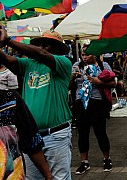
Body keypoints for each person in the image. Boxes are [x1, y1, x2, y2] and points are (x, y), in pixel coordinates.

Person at [0, 28, 72, 179]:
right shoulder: (29, 64)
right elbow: (6, 60)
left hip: (56, 134)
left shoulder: (63, 63)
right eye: (40, 43)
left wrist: (8, 41)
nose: (41, 47)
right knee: (33, 178)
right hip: (31, 137)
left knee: (59, 178)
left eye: (47, 44)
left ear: (58, 49)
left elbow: (42, 55)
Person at [70, 45, 116, 174]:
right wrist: (73, 77)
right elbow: (68, 85)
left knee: (100, 132)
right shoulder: (76, 65)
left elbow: (113, 83)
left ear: (94, 54)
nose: (84, 57)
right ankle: (84, 162)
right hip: (81, 102)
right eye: (83, 55)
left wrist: (99, 82)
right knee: (82, 133)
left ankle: (107, 159)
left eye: (87, 54)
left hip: (98, 102)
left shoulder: (103, 66)